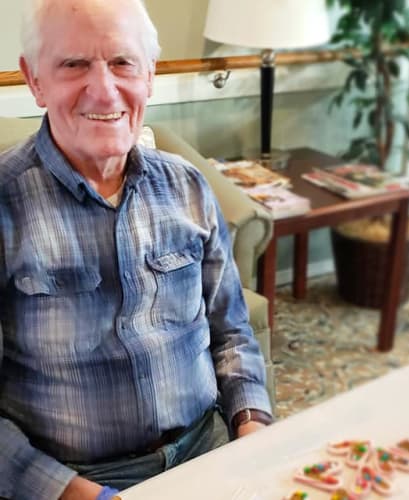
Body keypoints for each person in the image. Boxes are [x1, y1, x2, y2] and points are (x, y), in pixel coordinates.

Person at [0, 0, 273, 498]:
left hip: (206, 449)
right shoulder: (4, 203)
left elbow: (232, 332)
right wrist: (77, 493)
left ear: (149, 74)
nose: (104, 89)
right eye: (73, 64)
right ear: (34, 79)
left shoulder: (188, 187)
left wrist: (252, 429)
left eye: (123, 62)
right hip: (72, 482)